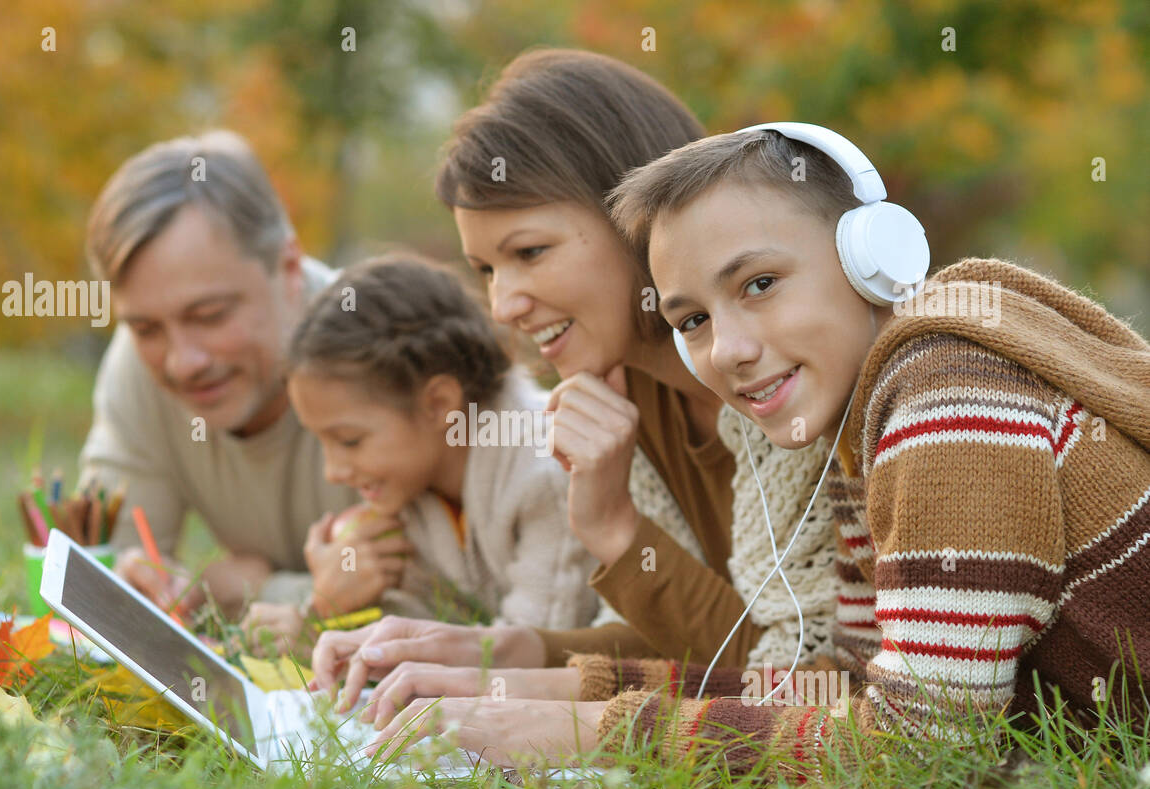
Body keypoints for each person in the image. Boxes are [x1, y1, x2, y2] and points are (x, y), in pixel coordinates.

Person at [370, 123, 1150, 774]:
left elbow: (921, 750)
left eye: (759, 283)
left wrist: (596, 732)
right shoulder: (865, 426)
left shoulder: (948, 394)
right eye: (693, 321)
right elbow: (840, 689)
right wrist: (555, 690)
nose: (728, 350)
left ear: (871, 259)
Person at [311, 50, 840, 718]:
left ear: (643, 217)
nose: (504, 305)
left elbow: (792, 677)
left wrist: (616, 530)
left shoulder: (794, 384)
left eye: (529, 253)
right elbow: (686, 640)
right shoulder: (634, 396)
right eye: (486, 270)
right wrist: (501, 653)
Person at [78, 130, 380, 621]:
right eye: (146, 327)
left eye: (211, 315)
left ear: (288, 268)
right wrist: (138, 583)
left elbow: (447, 598)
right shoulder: (134, 362)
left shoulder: (384, 352)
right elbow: (104, 579)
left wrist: (243, 587)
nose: (183, 362)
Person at [242, 254, 603, 657]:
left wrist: (319, 638)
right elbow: (425, 624)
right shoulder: (413, 486)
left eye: (348, 441)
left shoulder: (548, 471)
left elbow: (530, 653)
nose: (333, 472)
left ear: (437, 403)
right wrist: (329, 608)